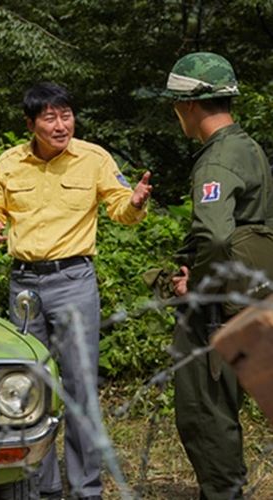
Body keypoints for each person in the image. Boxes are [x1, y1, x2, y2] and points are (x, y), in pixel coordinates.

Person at [0, 82, 152, 500]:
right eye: (50, 117)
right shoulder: (10, 162)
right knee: (28, 388)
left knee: (79, 388)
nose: (61, 125)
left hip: (73, 282)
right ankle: (41, 486)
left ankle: (86, 489)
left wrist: (136, 202)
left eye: (66, 115)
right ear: (31, 124)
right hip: (24, 285)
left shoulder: (94, 158)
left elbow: (121, 209)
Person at [164, 52, 273, 500]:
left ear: (188, 105)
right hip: (251, 296)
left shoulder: (215, 161)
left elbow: (213, 235)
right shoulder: (250, 148)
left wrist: (197, 286)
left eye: (176, 104)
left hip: (215, 309)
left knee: (204, 412)